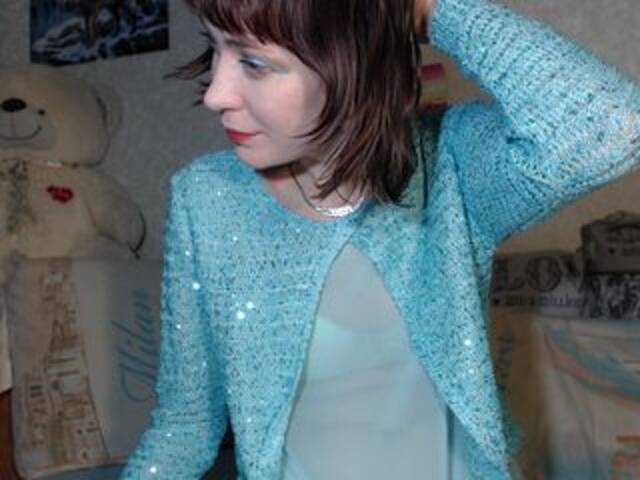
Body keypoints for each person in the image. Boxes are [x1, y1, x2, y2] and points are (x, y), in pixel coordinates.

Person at [120, 0, 640, 478]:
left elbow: (611, 128)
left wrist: (426, 9)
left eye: (254, 63)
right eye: (215, 48)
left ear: (353, 61)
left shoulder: (452, 166)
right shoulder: (206, 198)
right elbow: (185, 425)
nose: (215, 94)